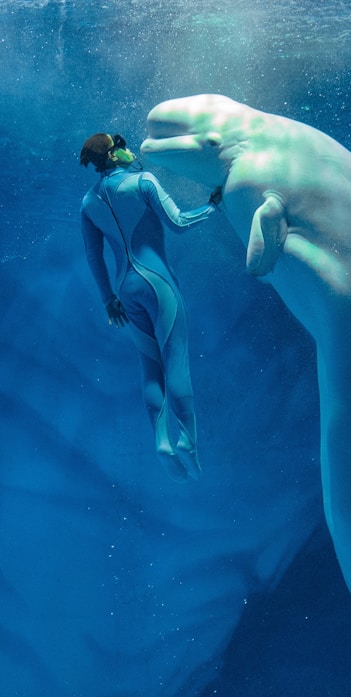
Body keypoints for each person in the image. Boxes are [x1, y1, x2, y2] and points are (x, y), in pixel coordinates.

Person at [79, 132, 222, 482]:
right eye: (122, 146)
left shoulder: (88, 203)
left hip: (124, 289)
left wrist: (107, 299)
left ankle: (161, 441)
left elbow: (94, 257)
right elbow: (179, 223)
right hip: (159, 284)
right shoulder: (143, 181)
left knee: (150, 366)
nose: (129, 150)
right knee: (176, 361)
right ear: (113, 155)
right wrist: (212, 206)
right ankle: (188, 442)